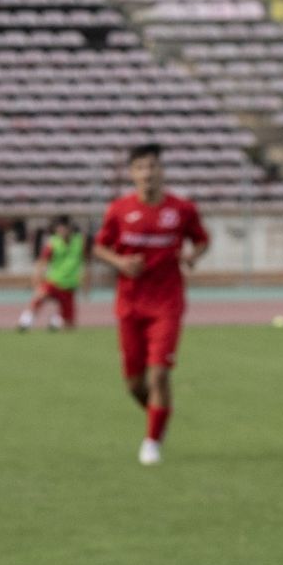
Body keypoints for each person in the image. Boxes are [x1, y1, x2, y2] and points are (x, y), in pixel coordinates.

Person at [93, 144, 209, 465]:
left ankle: (151, 442)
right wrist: (120, 262)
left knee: (159, 376)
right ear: (132, 173)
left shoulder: (182, 209)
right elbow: (99, 247)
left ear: (162, 170)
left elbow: (201, 239)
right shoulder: (118, 210)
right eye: (141, 167)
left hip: (167, 303)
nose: (148, 173)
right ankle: (159, 417)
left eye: (153, 166)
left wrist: (192, 256)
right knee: (133, 383)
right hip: (130, 304)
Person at [17, 214, 85, 331]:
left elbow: (87, 259)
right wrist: (37, 280)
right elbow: (42, 262)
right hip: (54, 280)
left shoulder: (79, 241)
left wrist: (85, 281)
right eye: (59, 228)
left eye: (63, 227)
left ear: (69, 228)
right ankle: (25, 321)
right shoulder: (53, 243)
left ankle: (56, 321)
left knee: (70, 325)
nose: (61, 230)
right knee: (40, 296)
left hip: (70, 285)